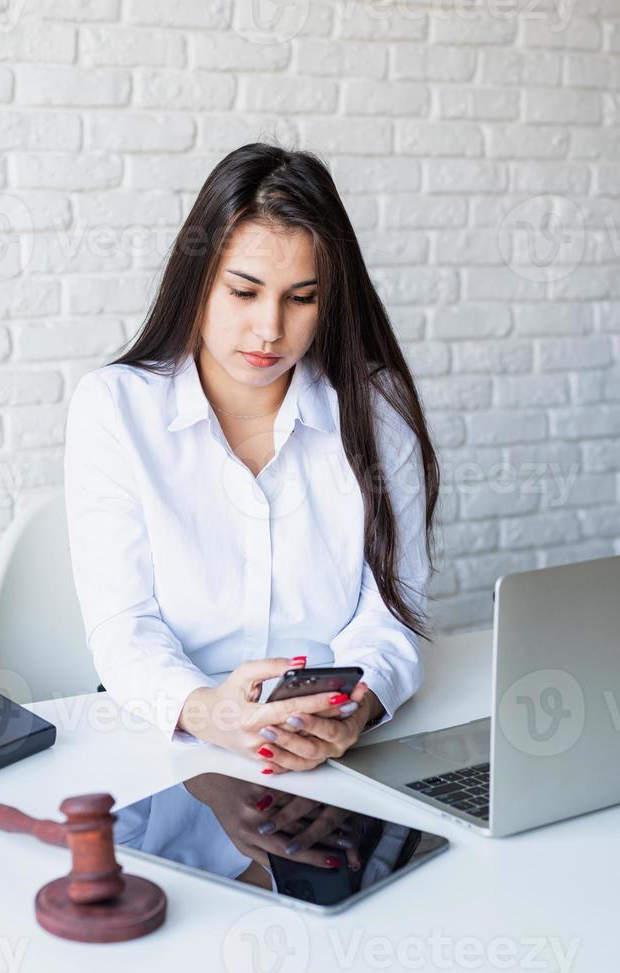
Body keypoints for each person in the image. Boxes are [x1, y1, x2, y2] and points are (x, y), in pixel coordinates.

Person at [63, 141, 441, 776]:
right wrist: (213, 713)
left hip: (334, 747)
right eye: (244, 291)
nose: (270, 328)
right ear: (199, 282)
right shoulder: (116, 408)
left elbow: (394, 612)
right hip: (174, 742)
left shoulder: (377, 409)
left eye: (301, 298)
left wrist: (357, 707)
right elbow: (122, 624)